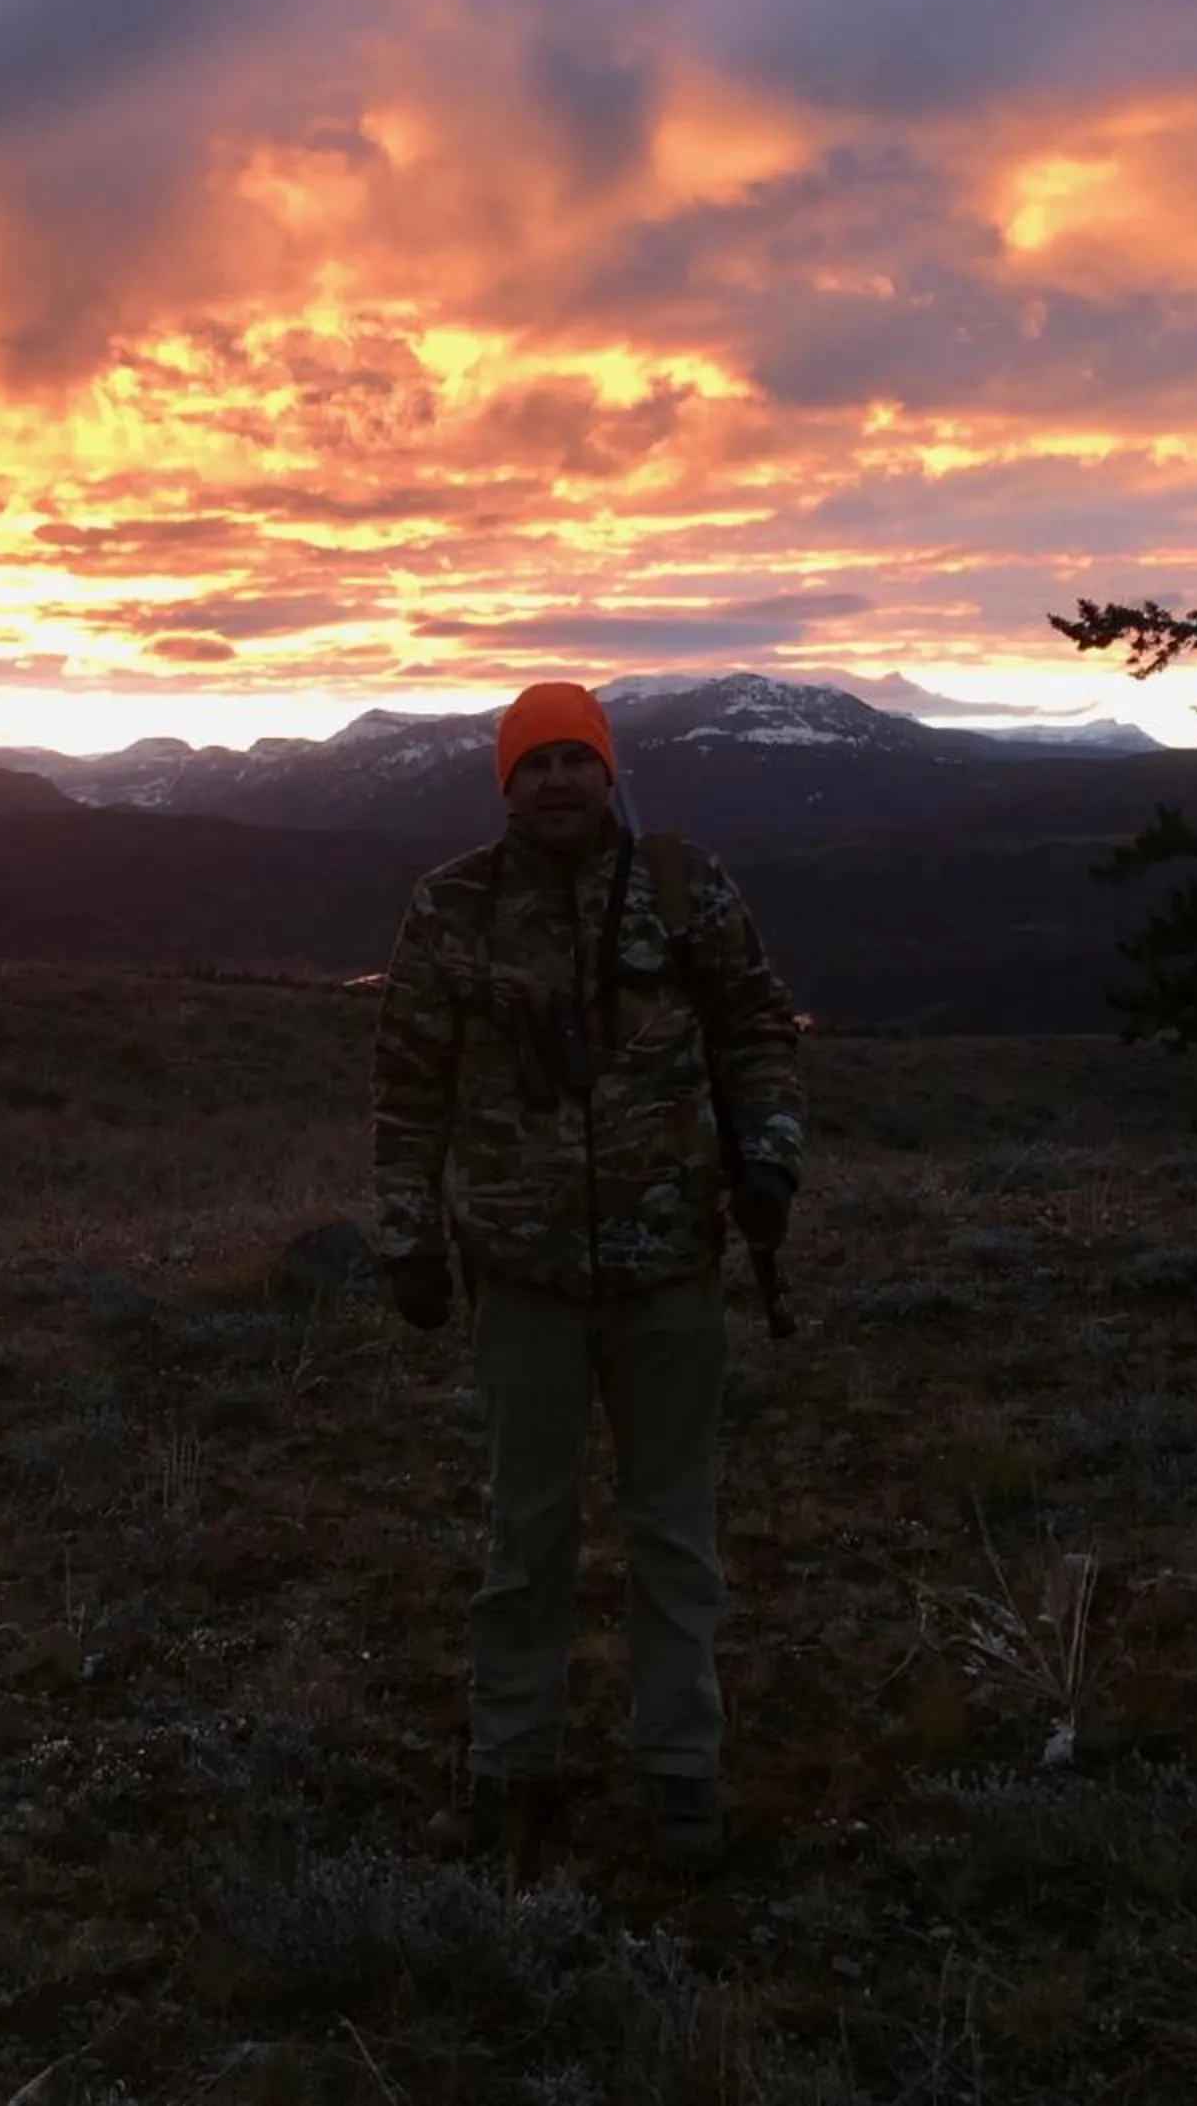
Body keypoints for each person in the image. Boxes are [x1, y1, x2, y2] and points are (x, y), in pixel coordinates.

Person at [371, 680, 805, 1872]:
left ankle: (681, 1774)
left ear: (608, 771)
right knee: (528, 1535)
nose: (557, 780)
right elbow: (408, 1084)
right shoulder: (450, 908)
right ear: (503, 783)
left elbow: (758, 1029)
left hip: (671, 1263)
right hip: (522, 1273)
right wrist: (408, 1234)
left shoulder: (684, 888)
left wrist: (768, 1162)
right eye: (533, 763)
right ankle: (512, 1767)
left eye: (576, 758)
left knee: (674, 1528)